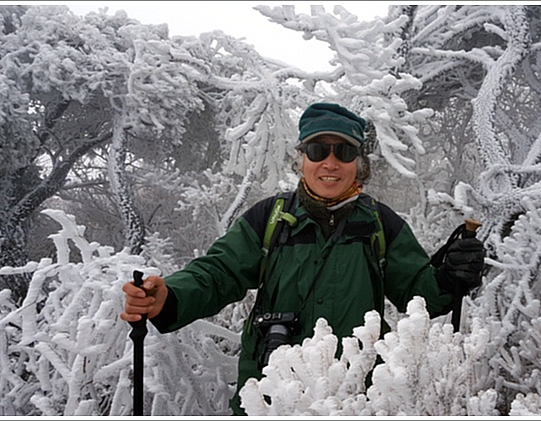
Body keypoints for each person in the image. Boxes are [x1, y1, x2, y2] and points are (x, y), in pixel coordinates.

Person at [120, 102, 485, 415]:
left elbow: (420, 296)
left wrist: (452, 273)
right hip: (269, 394)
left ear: (359, 163)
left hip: (355, 397)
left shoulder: (379, 224)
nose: (330, 162)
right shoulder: (270, 219)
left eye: (344, 152)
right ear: (301, 159)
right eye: (317, 150)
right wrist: (170, 296)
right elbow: (218, 272)